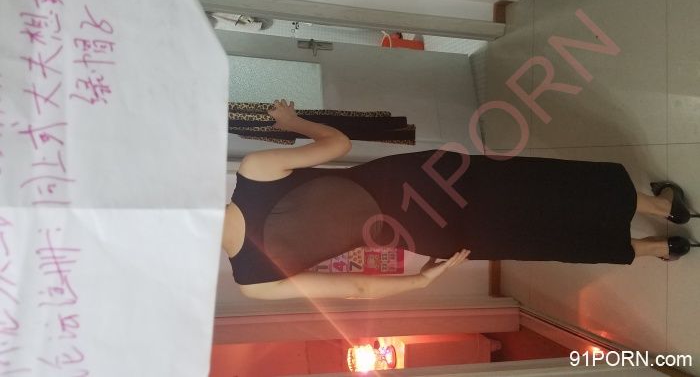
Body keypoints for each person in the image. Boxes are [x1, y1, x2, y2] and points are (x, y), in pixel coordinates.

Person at [222, 99, 699, 300]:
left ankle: (659, 247)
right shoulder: (255, 172)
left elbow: (358, 290)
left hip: (427, 233)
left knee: (533, 237)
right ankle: (664, 208)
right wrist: (294, 123)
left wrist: (422, 280)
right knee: (542, 187)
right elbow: (339, 145)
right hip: (423, 180)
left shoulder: (252, 281)